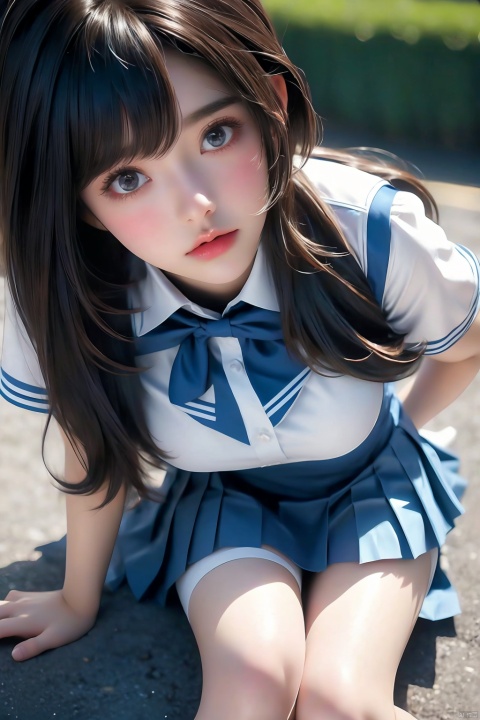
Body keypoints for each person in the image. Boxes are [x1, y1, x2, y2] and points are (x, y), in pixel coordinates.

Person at [0, 1, 478, 718]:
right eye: (126, 178)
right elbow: (84, 440)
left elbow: (466, 342)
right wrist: (77, 597)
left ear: (271, 106)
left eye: (217, 133)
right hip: (223, 504)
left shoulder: (366, 232)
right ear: (84, 205)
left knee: (339, 700)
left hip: (371, 489)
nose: (195, 204)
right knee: (250, 689)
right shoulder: (73, 292)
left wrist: (400, 431)